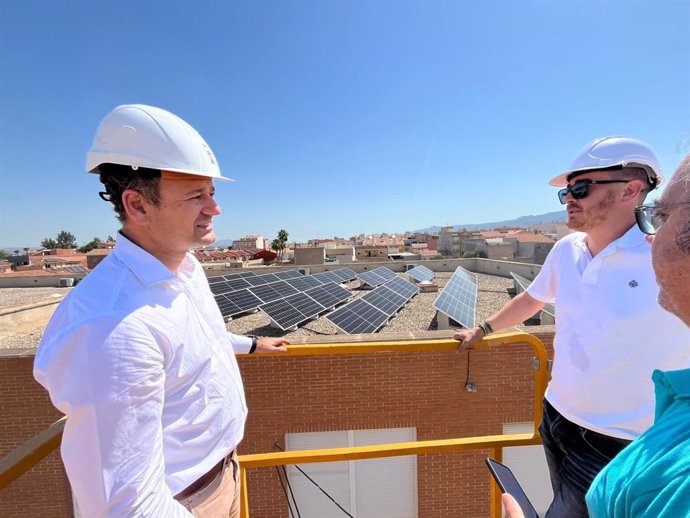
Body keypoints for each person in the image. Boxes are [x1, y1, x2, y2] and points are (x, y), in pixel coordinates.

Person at [33, 104, 290, 518]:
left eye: (212, 192)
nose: (214, 208)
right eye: (195, 196)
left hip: (222, 475)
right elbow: (128, 504)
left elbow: (193, 338)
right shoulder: (112, 327)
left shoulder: (185, 266)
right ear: (137, 206)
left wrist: (253, 344)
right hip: (183, 504)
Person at [454, 137, 690, 517]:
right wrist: (483, 328)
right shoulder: (567, 249)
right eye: (567, 191)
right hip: (557, 416)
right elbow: (533, 298)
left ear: (631, 190)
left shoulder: (667, 256)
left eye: (581, 188)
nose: (569, 199)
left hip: (620, 441)